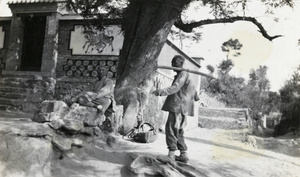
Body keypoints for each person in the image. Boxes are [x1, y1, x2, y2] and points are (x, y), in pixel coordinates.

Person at [153, 55, 199, 163]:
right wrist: (195, 97)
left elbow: (176, 87)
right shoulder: (186, 75)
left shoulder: (183, 74)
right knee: (179, 130)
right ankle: (183, 154)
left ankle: (171, 155)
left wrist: (160, 92)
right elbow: (195, 94)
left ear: (177, 64)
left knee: (171, 129)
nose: (172, 66)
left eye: (173, 64)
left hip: (178, 106)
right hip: (183, 108)